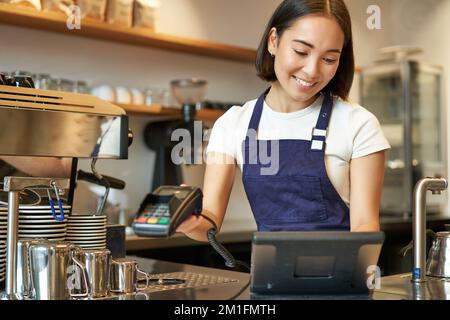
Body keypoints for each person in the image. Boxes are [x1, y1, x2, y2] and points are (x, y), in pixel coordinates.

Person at [177, 0, 390, 241]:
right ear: (273, 41)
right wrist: (187, 220)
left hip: (341, 276)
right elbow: (210, 223)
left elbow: (365, 226)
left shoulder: (358, 124)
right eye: (301, 51)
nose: (312, 70)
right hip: (270, 277)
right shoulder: (233, 124)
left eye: (329, 59)